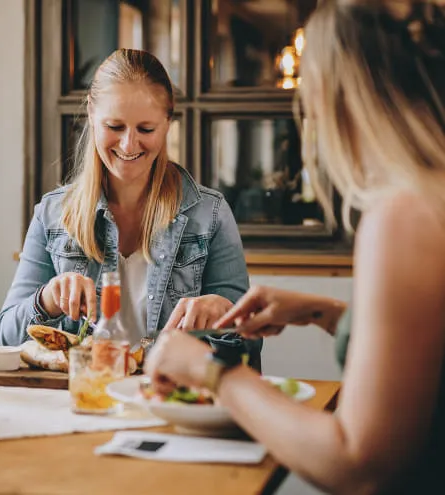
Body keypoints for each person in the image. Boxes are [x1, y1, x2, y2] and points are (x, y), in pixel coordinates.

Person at [144, 1, 445, 493]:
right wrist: (326, 312)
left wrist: (211, 372)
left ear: (340, 96)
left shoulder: (404, 216)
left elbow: (357, 463)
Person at [0, 48, 259, 366]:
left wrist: (224, 316)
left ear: (168, 122)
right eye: (115, 127)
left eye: (146, 129)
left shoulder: (210, 214)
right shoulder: (52, 215)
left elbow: (249, 351)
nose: (128, 145)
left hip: (170, 403)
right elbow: (6, 339)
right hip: (81, 403)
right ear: (91, 114)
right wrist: (47, 299)